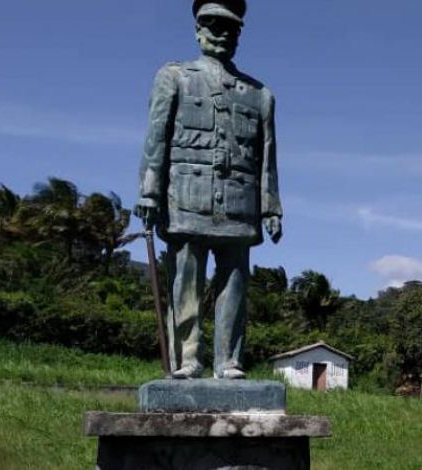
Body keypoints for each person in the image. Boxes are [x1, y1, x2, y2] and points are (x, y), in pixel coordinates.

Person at [135, 0, 281, 379]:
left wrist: (271, 207)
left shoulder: (259, 94)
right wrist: (149, 191)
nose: (220, 33)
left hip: (239, 204)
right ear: (198, 29)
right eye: (212, 25)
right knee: (186, 283)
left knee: (234, 285)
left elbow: (267, 155)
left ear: (238, 35)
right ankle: (187, 359)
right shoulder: (175, 77)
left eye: (228, 28)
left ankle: (229, 360)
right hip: (186, 198)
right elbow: (156, 138)